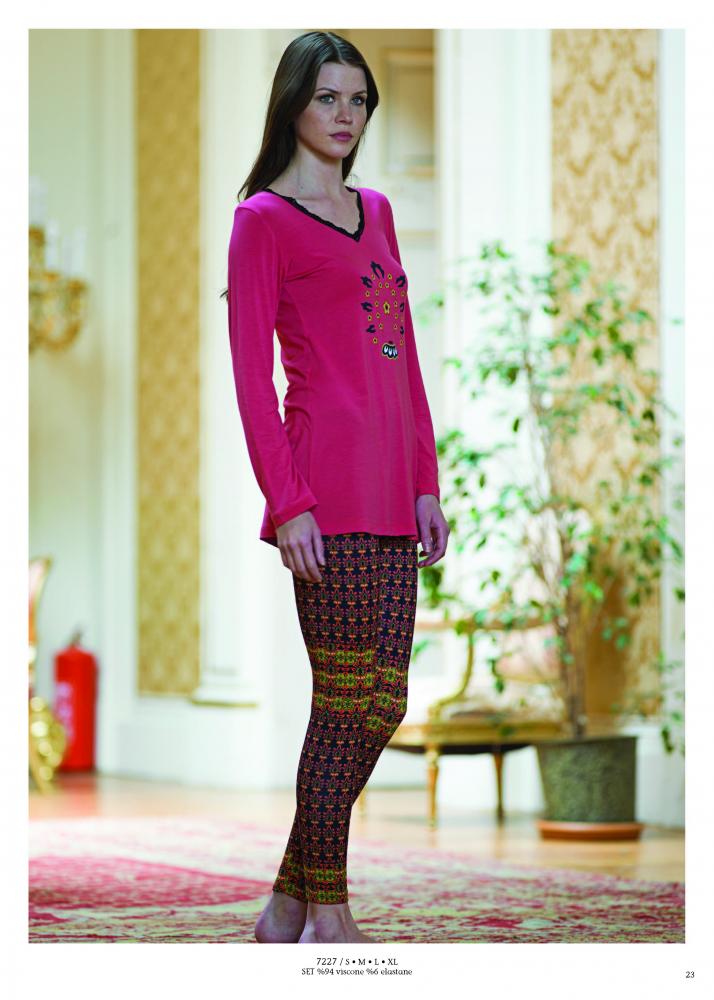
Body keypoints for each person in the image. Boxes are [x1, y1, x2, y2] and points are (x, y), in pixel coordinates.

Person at [224, 30, 449, 944]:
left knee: (383, 703)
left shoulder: (379, 212)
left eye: (357, 99)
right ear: (294, 105)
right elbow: (252, 381)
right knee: (343, 701)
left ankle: (287, 904)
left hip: (394, 492)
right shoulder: (261, 221)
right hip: (324, 491)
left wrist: (427, 482)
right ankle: (329, 911)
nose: (345, 114)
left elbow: (405, 359)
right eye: (327, 97)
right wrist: (289, 504)